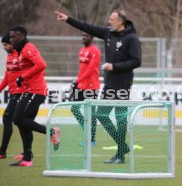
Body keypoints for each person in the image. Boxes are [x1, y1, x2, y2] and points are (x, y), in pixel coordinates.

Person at [54, 9, 142, 164]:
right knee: (101, 114)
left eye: (112, 19)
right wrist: (68, 19)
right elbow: (88, 27)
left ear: (120, 22)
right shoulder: (108, 34)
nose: (109, 22)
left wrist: (114, 67)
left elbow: (137, 61)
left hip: (123, 84)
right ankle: (122, 147)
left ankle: (120, 154)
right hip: (109, 84)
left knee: (120, 118)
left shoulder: (132, 38)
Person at [8, 26, 59, 167]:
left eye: (14, 36)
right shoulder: (20, 51)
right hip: (30, 90)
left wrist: (22, 77)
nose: (12, 39)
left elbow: (42, 64)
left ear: (23, 36)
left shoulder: (28, 48)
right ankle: (27, 158)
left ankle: (51, 131)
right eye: (10, 37)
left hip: (36, 91)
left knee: (17, 119)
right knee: (24, 123)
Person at [70, 32, 101, 146]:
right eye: (82, 35)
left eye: (86, 36)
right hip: (81, 85)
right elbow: (82, 69)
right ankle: (87, 131)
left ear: (92, 37)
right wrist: (77, 82)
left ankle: (92, 139)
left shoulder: (95, 51)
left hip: (91, 86)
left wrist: (78, 80)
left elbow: (90, 70)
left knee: (91, 114)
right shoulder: (82, 50)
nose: (84, 37)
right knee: (74, 109)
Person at [0, 33, 23, 159]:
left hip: (21, 93)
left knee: (7, 118)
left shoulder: (20, 55)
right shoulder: (9, 57)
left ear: (11, 43)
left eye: (5, 45)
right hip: (14, 93)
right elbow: (7, 77)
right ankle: (27, 152)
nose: (4, 48)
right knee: (22, 122)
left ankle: (2, 152)